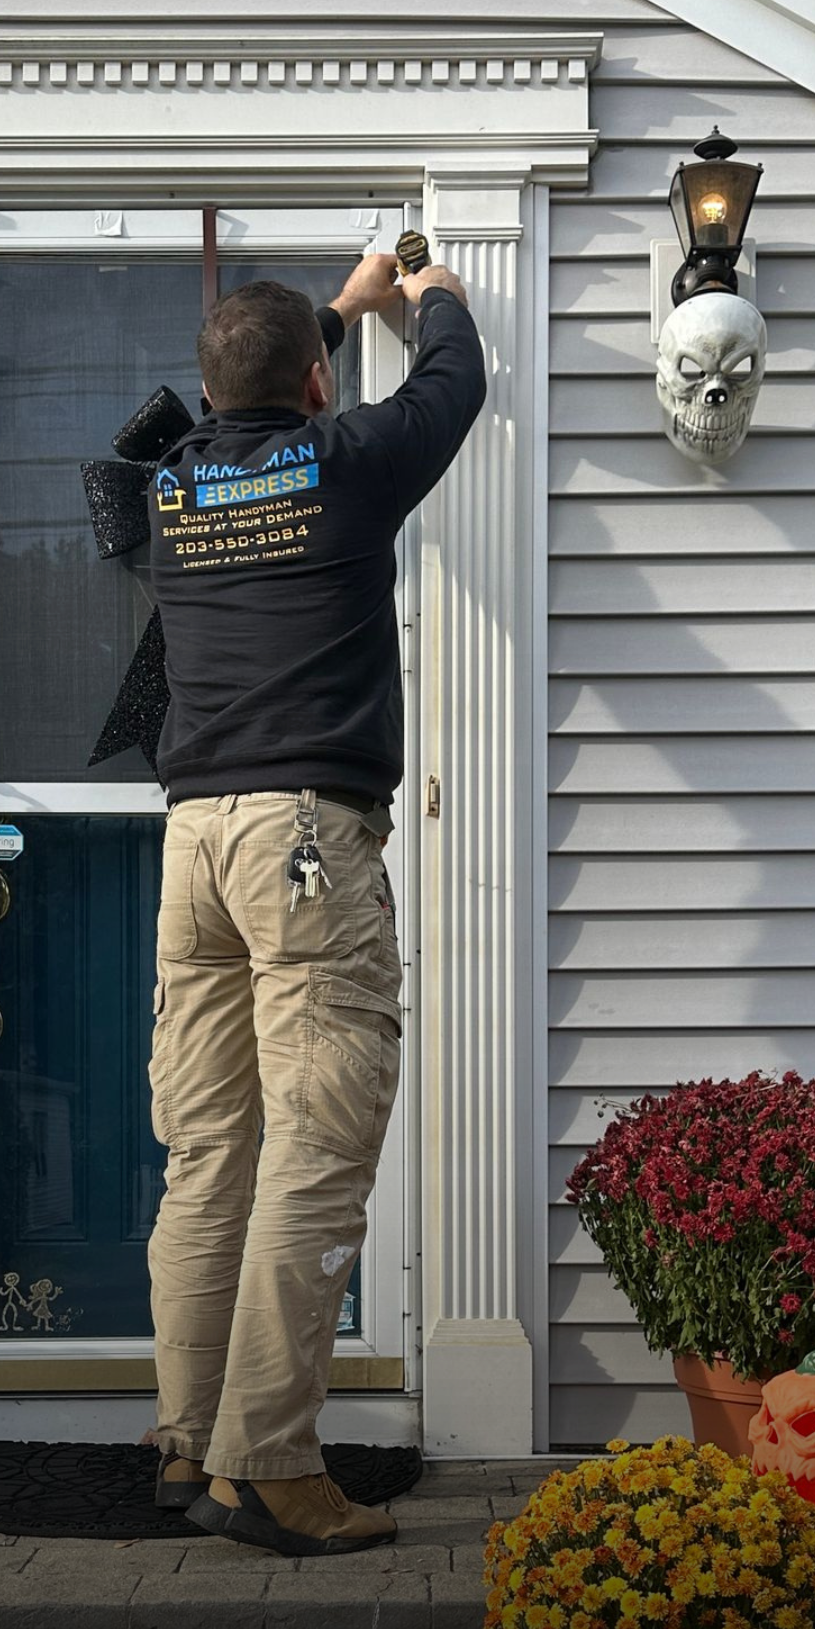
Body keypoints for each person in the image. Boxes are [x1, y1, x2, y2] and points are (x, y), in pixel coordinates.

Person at [142, 249, 484, 1557]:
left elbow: (235, 401)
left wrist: (324, 319)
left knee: (212, 1149)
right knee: (316, 1145)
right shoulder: (343, 463)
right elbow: (454, 385)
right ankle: (269, 1466)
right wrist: (428, 291)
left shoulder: (173, 483)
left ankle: (185, 1441)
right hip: (302, 840)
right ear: (317, 382)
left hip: (192, 844)